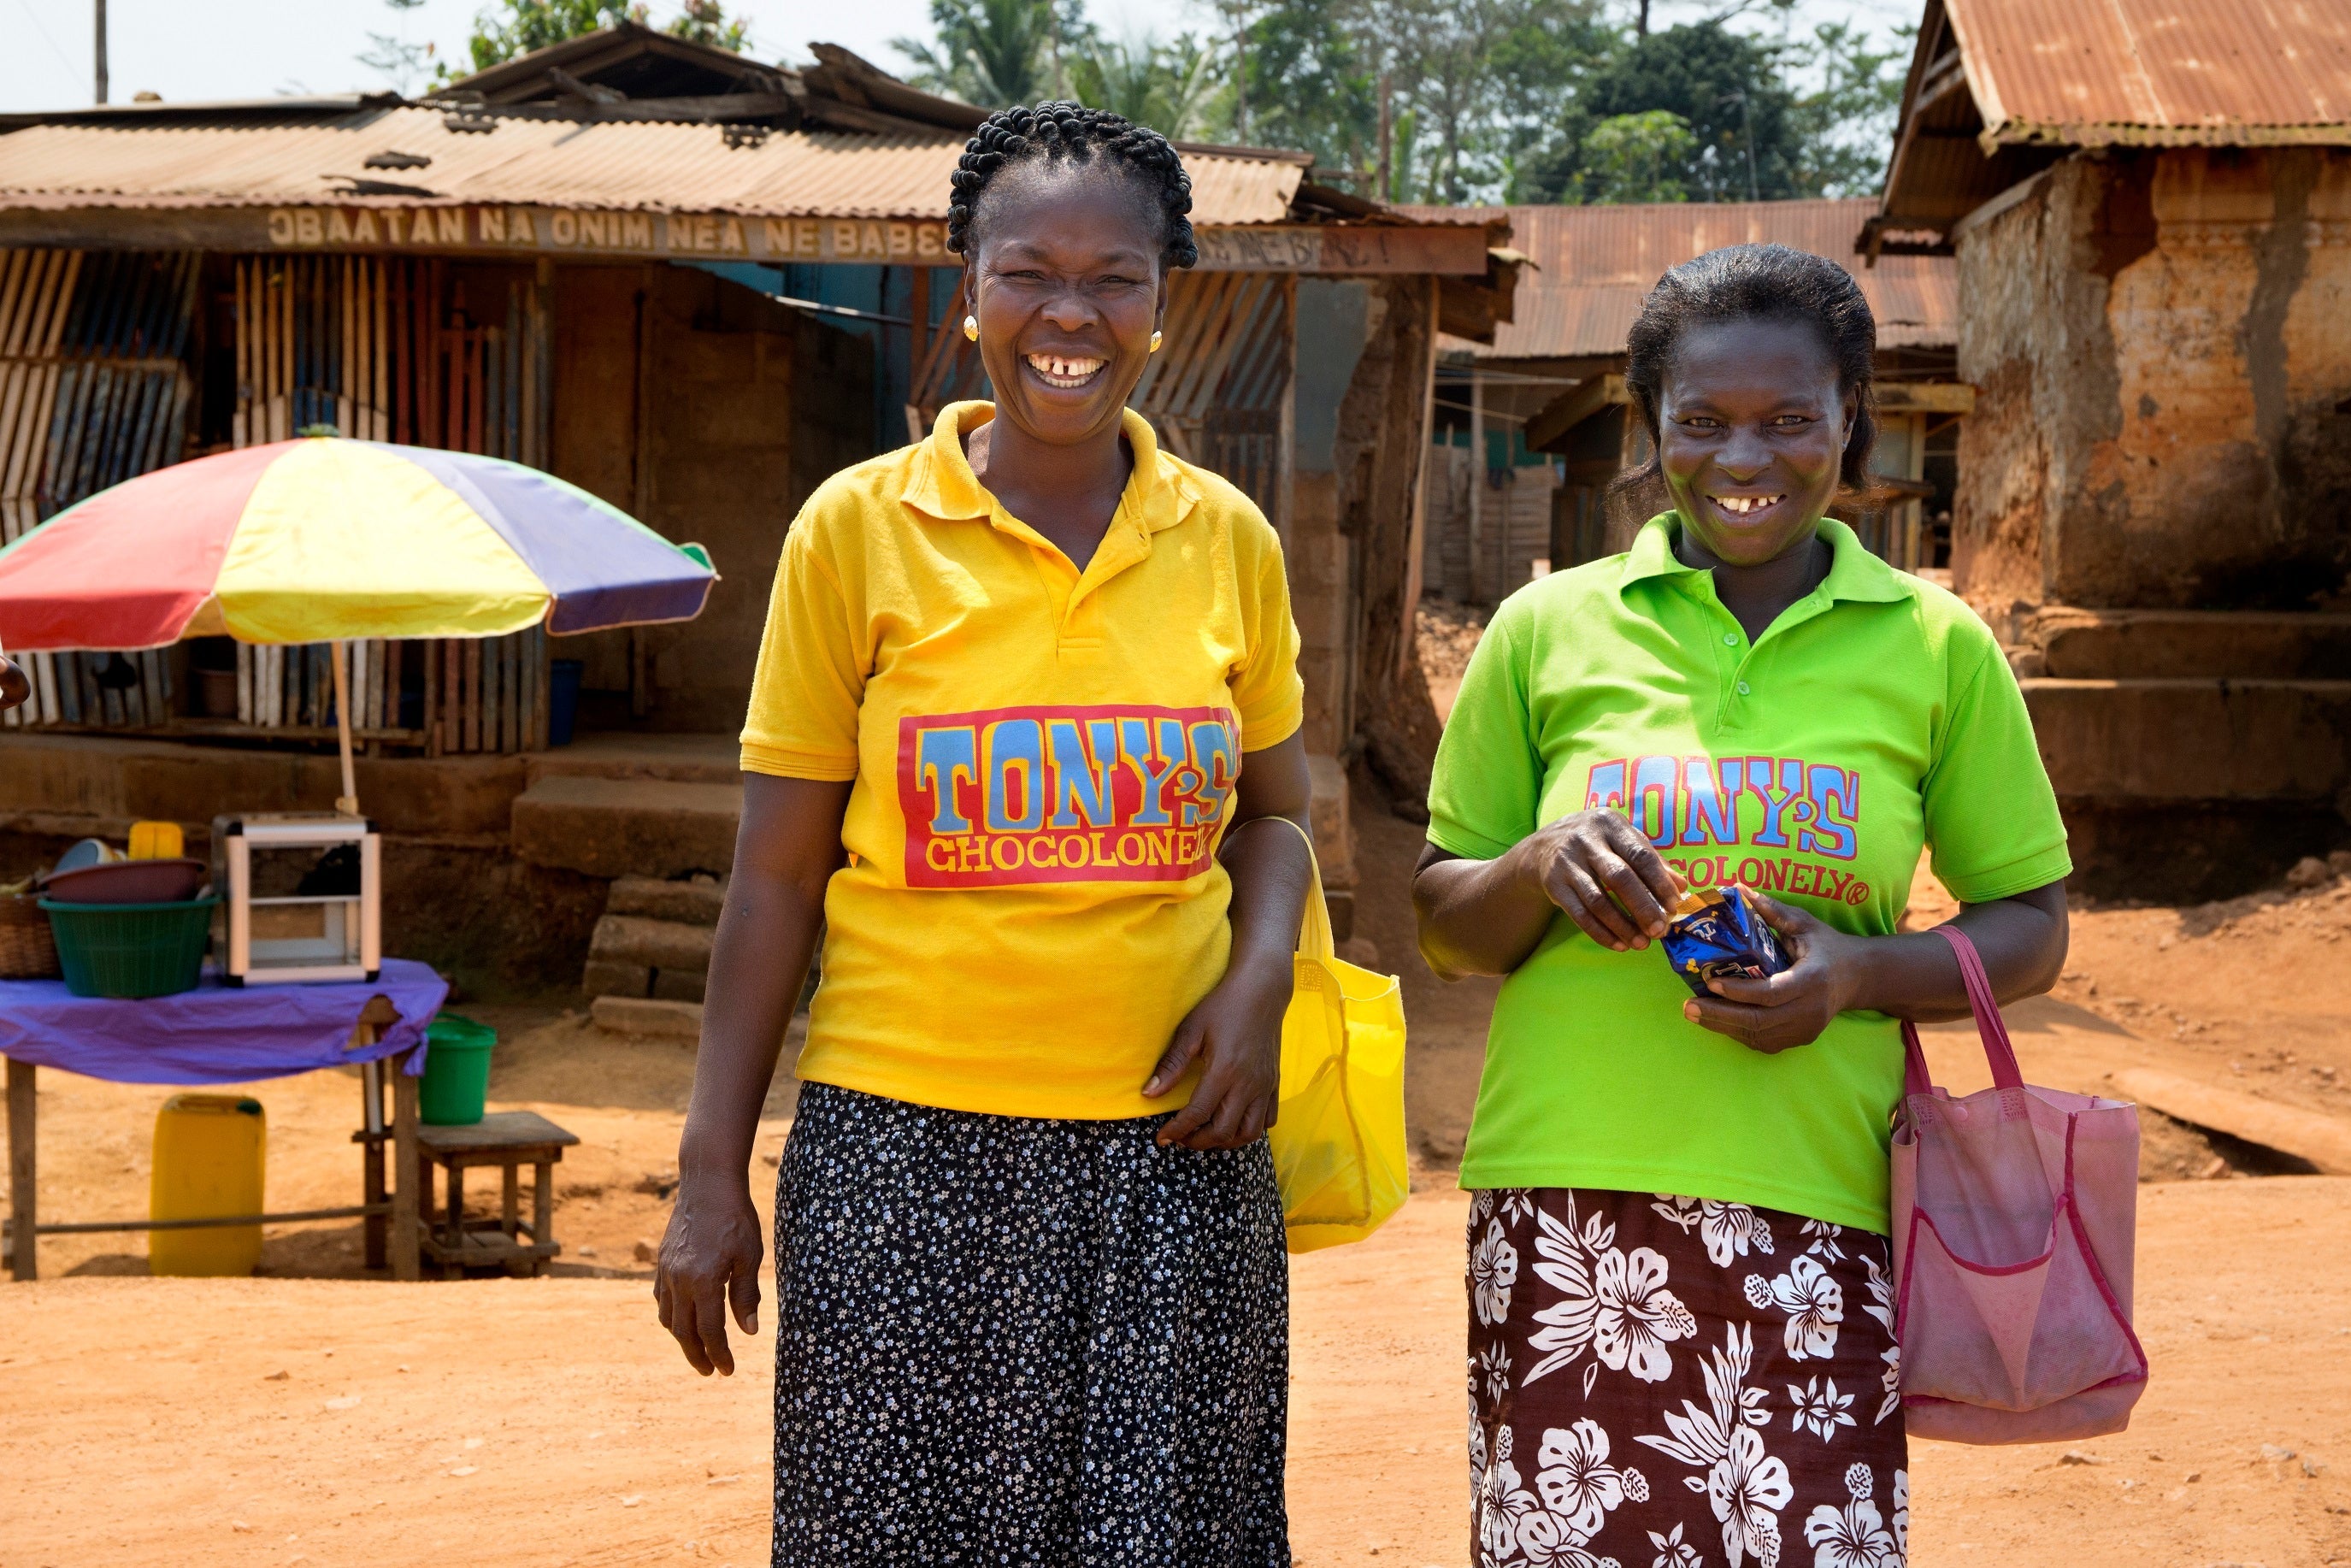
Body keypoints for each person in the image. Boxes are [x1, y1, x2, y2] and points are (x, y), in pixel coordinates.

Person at [654, 102, 1314, 1568]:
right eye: (1027, 271)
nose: (1067, 313)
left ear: (1162, 297)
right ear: (967, 287)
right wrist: (710, 1174)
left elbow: (1276, 815)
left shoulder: (1227, 541)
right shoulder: (858, 530)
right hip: (903, 1159)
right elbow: (774, 880)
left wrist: (1260, 972)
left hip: (1177, 1158)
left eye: (1114, 277)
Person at [1412, 244, 2071, 1568]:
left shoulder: (1933, 645)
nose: (1743, 459)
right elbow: (1442, 915)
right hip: (1570, 1197)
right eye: (1700, 423)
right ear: (1651, 430)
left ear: (1850, 422)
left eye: (1788, 419)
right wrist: (1539, 863)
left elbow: (2032, 926)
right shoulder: (1545, 629)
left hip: (1823, 1198)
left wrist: (1855, 974)